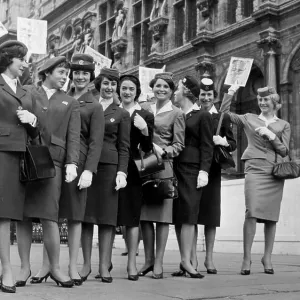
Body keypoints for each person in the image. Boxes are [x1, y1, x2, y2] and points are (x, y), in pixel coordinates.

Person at [16, 56, 81, 288]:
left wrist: (72, 163)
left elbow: (74, 135)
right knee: (23, 216)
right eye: (61, 72)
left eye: (66, 73)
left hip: (53, 161)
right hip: (25, 157)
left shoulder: (70, 102)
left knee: (49, 216)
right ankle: (24, 268)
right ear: (47, 73)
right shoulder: (27, 92)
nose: (65, 77)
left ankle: (55, 267)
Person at [222, 84, 291, 275]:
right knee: (251, 211)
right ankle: (246, 257)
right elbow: (224, 114)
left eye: (266, 100)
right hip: (253, 168)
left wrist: (271, 136)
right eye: (260, 100)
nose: (262, 103)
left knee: (271, 216)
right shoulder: (249, 118)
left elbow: (285, 150)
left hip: (273, 171)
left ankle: (267, 257)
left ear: (275, 103)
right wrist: (230, 93)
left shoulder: (284, 125)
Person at [80, 68, 130, 283]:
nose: (109, 87)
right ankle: (85, 265)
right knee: (86, 217)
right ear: (99, 84)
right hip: (87, 167)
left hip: (109, 167)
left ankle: (104, 266)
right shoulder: (90, 105)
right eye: (106, 83)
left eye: (113, 84)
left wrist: (122, 171)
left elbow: (124, 146)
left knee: (107, 219)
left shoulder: (122, 113)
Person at [59, 54, 104, 285]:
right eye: (76, 72)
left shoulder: (94, 105)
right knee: (53, 215)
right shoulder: (62, 97)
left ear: (91, 77)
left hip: (80, 164)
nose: (80, 76)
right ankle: (51, 265)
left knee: (76, 216)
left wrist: (89, 171)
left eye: (85, 73)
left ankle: (73, 266)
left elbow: (96, 142)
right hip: (58, 160)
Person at [0, 40, 38, 293]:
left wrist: (32, 120)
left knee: (8, 213)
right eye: (21, 59)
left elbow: (36, 132)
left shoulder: (25, 90)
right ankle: (7, 270)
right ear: (8, 59)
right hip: (1, 152)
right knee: (2, 214)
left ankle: (6, 269)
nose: (25, 64)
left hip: (19, 155)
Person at [139, 72, 185, 279]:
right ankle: (148, 260)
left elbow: (179, 145)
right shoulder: (144, 108)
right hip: (143, 164)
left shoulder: (177, 113)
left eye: (166, 87)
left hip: (164, 166)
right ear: (152, 87)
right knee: (145, 217)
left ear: (171, 90)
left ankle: (158, 262)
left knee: (163, 218)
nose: (161, 90)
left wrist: (163, 150)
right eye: (158, 86)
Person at [172, 76, 214, 279]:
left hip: (192, 169)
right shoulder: (178, 114)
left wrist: (204, 171)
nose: (174, 93)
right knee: (179, 216)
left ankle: (187, 261)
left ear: (187, 92)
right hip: (176, 168)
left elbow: (207, 145)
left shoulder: (202, 115)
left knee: (189, 214)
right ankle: (185, 260)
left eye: (177, 89)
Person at [196, 78, 237, 274]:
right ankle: (191, 257)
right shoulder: (192, 114)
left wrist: (223, 141)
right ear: (198, 96)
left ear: (214, 97)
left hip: (212, 169)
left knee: (210, 215)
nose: (205, 97)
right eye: (203, 94)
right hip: (192, 169)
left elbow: (233, 143)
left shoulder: (223, 117)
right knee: (191, 214)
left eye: (209, 95)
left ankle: (209, 258)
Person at [117, 75, 154, 281]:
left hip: (133, 169)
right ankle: (105, 263)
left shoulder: (145, 115)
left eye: (131, 88)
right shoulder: (113, 111)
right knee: (112, 215)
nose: (127, 92)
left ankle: (132, 262)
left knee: (131, 217)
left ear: (137, 91)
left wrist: (145, 130)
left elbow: (148, 149)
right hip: (113, 166)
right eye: (124, 88)